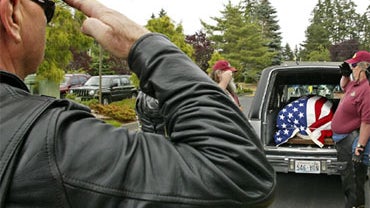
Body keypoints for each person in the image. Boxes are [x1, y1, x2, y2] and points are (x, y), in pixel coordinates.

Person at [0, 0, 275, 207]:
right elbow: (243, 174)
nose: (48, 23)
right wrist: (145, 46)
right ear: (12, 14)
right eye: (48, 8)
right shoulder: (53, 144)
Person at [332, 50, 370, 208]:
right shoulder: (355, 84)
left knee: (354, 181)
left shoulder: (367, 90)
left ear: (364, 67)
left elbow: (367, 122)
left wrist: (360, 148)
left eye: (354, 65)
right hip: (342, 140)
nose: (352, 67)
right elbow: (343, 86)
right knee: (348, 179)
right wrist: (345, 74)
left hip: (352, 140)